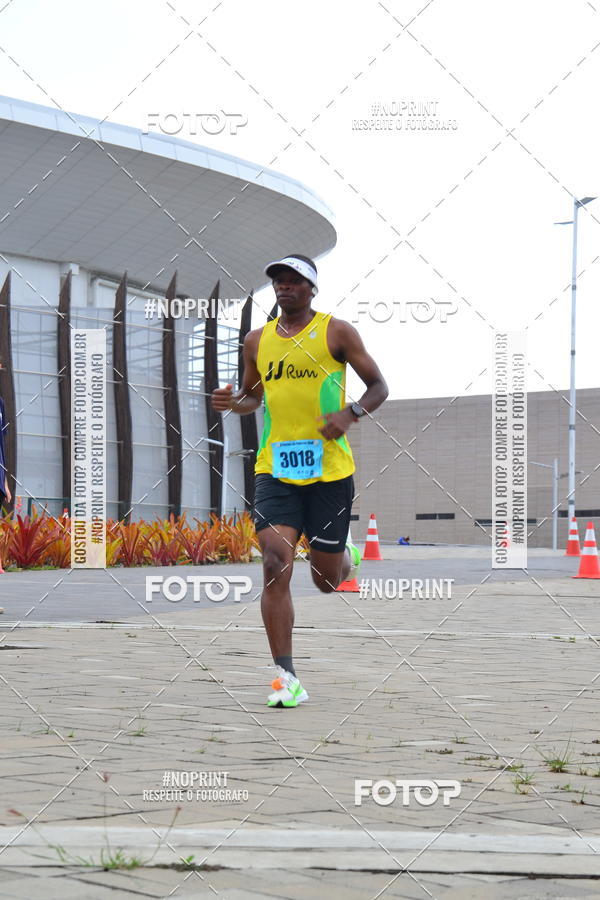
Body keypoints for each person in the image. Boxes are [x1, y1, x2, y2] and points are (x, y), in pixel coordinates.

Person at [211, 254, 388, 707]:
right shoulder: (257, 340)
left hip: (329, 471)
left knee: (325, 581)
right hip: (276, 470)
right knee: (274, 562)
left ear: (312, 289)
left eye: (294, 281)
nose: (285, 287)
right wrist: (232, 402)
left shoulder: (337, 332)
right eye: (279, 282)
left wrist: (350, 414)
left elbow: (378, 387)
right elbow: (253, 398)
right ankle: (286, 678)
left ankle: (342, 556)